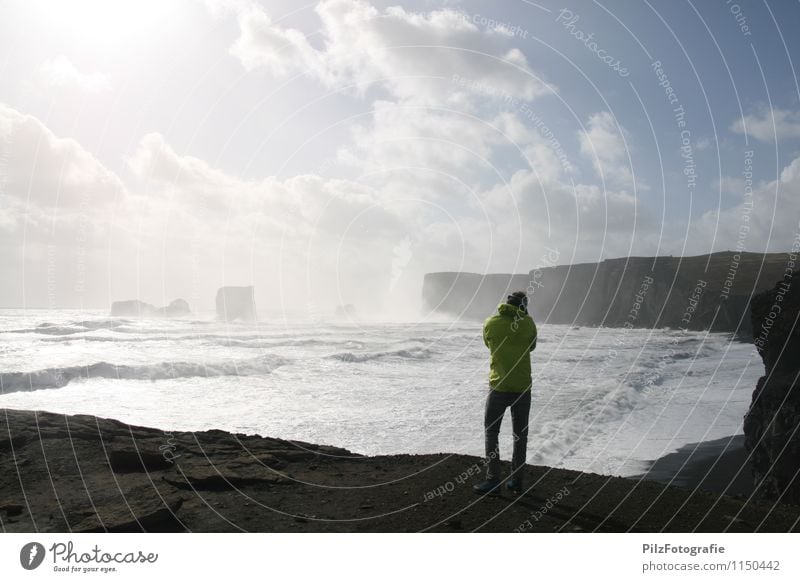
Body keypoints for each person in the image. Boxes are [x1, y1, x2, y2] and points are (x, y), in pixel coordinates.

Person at [473, 290, 538, 495]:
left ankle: (493, 480)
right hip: (522, 388)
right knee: (520, 436)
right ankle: (516, 481)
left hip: (498, 386)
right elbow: (532, 346)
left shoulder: (490, 323)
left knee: (492, 432)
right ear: (523, 305)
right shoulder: (528, 323)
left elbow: (488, 344)